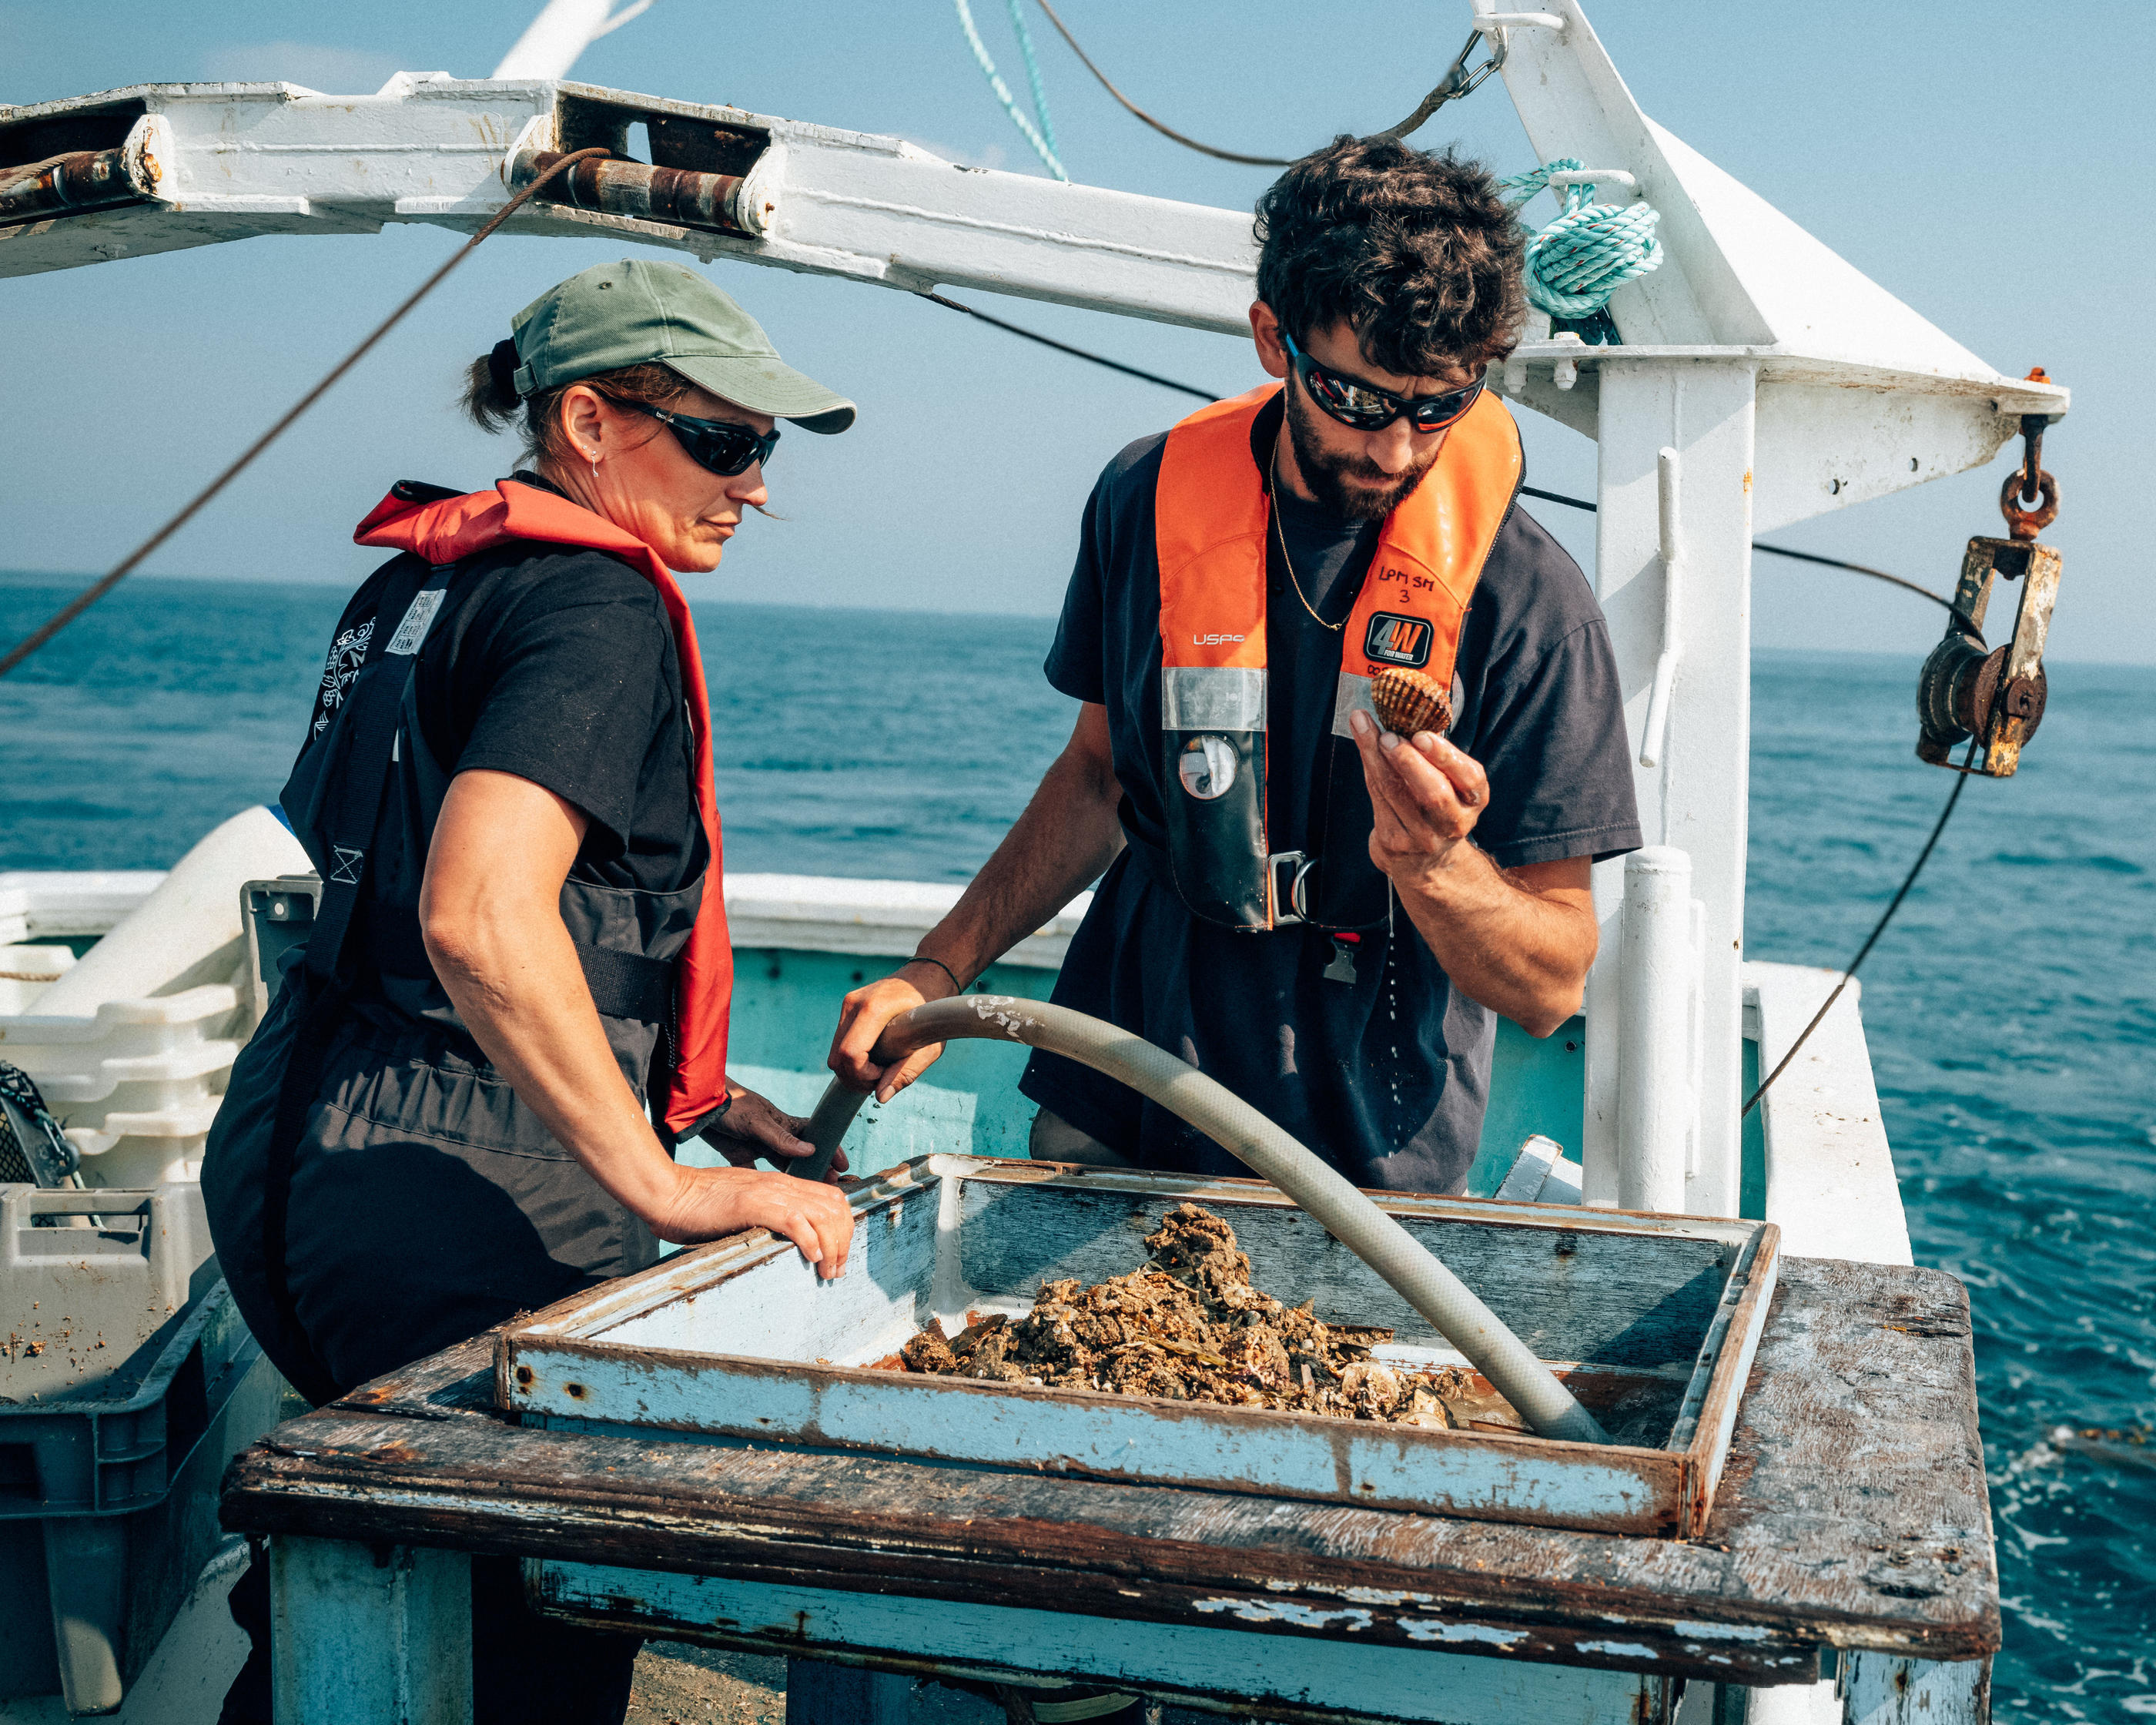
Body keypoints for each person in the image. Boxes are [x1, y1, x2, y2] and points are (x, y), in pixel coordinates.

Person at [202, 259, 859, 1725]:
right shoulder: (596, 613)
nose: (757, 486)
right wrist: (668, 1185)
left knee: (360, 1583)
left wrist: (701, 1101)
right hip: (459, 1184)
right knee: (520, 1637)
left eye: (770, 450)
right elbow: (484, 921)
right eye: (727, 442)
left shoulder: (417, 583)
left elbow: (398, 897)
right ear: (586, 419)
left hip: (293, 1151)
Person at [829, 136, 1642, 1199]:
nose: (1396, 451)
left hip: (1364, 1147)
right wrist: (932, 973)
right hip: (1121, 1080)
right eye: (1358, 400)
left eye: (1438, 406)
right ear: (1273, 339)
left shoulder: (1530, 603)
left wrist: (1437, 862)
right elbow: (1097, 775)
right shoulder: (1143, 501)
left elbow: (1548, 985)